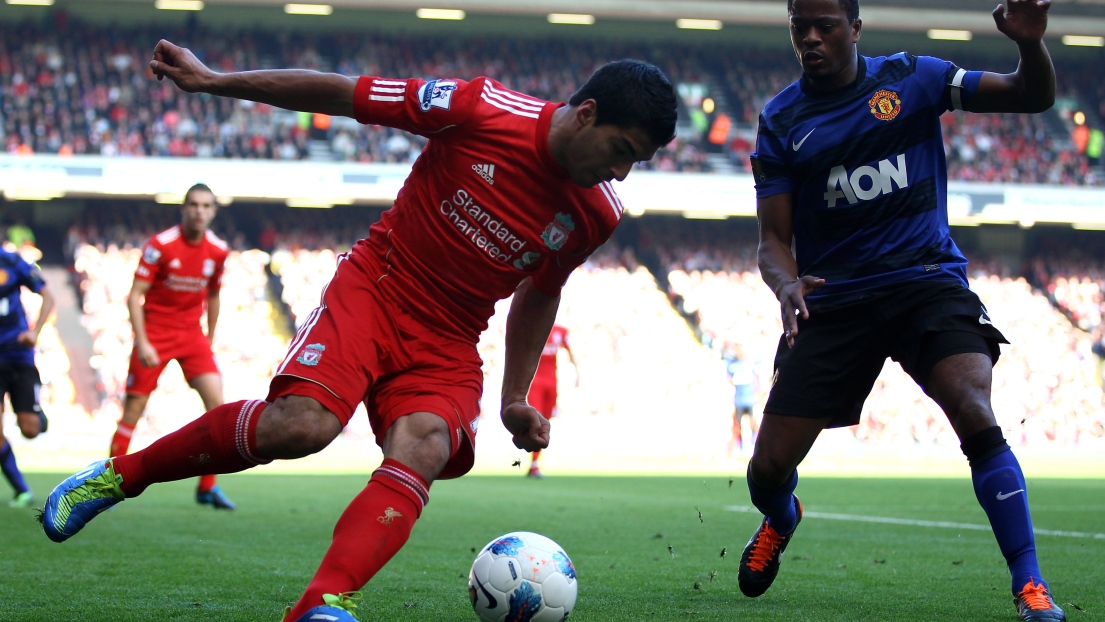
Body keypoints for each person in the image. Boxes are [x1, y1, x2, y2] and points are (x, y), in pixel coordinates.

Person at [41, 40, 676, 622]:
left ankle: (321, 605)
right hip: (377, 287)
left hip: (450, 338)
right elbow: (343, 94)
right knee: (302, 426)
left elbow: (541, 291)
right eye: (623, 152)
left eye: (637, 163)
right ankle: (120, 476)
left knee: (425, 445)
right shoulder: (479, 107)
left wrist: (515, 396)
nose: (622, 175)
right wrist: (215, 81)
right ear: (587, 113)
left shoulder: (597, 214)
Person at [741, 0, 1064, 620]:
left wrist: (1030, 45)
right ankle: (783, 516)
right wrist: (786, 287)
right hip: (834, 299)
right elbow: (772, 241)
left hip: (924, 281)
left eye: (825, 26)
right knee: (767, 471)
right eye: (798, 27)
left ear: (855, 30)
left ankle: (1030, 584)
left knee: (973, 406)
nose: (810, 38)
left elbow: (1031, 96)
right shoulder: (781, 120)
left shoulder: (913, 78)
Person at [108, 183, 236, 510]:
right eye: (193, 204)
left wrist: (209, 337)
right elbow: (136, 295)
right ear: (183, 208)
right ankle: (108, 484)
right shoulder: (160, 246)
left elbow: (214, 295)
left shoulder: (218, 250)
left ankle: (208, 486)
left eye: (206, 206)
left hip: (191, 333)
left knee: (218, 407)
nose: (199, 211)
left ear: (213, 211)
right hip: (156, 332)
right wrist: (144, 341)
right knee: (132, 412)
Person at [0, 245, 55, 508]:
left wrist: (35, 332)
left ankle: (37, 413)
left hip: (19, 356)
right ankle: (22, 490)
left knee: (30, 430)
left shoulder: (12, 262)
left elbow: (48, 296)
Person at [526, 322, 578, 478]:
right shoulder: (532, 327)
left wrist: (577, 372)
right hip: (534, 382)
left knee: (546, 420)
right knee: (537, 419)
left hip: (552, 382)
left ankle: (534, 462)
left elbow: (570, 352)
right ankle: (533, 464)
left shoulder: (561, 331)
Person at [723, 342, 759, 455]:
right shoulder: (733, 366)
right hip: (738, 401)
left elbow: (757, 380)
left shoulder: (750, 364)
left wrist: (758, 395)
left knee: (753, 423)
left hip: (750, 400)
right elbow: (729, 382)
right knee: (737, 425)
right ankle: (740, 447)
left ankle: (756, 445)